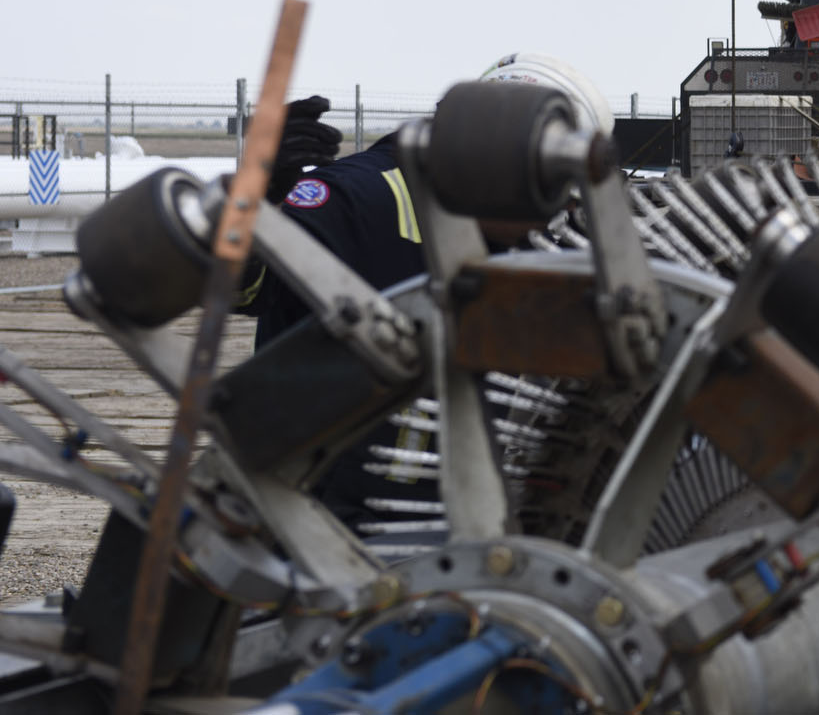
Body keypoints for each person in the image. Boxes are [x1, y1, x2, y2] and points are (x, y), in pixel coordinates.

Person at [241, 52, 616, 527]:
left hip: (448, 522)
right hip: (311, 520)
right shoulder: (357, 202)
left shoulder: (525, 238)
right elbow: (244, 291)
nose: (553, 220)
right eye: (551, 197)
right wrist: (254, 200)